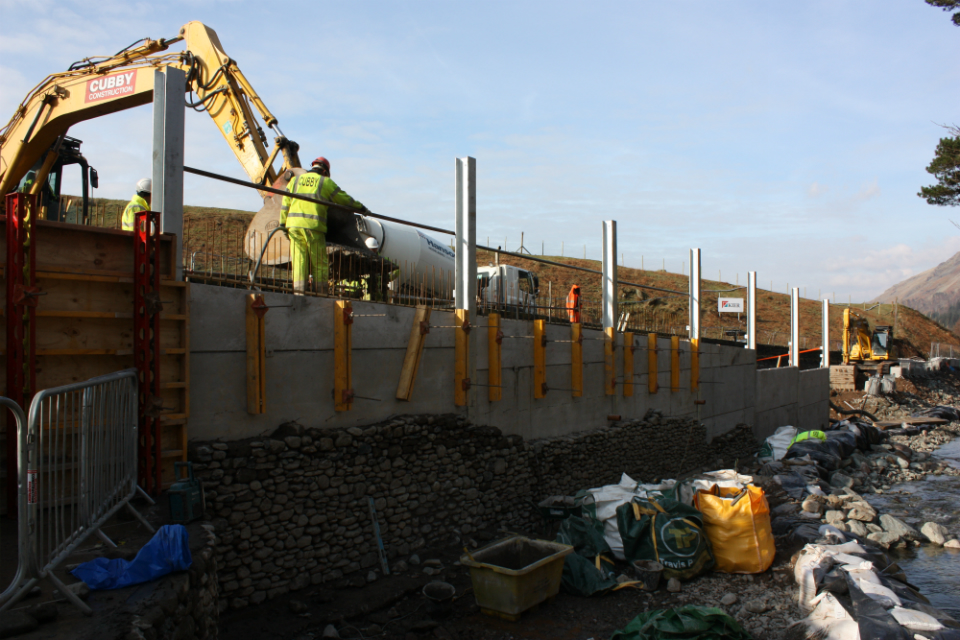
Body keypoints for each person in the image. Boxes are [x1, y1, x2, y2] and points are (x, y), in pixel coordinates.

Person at [280, 157, 365, 294]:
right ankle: (320, 293)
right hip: (313, 227)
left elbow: (285, 204)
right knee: (319, 262)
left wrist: (283, 224)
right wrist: (361, 208)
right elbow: (344, 198)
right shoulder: (325, 182)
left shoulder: (295, 181)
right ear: (325, 171)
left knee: (299, 260)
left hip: (294, 226)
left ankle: (299, 293)